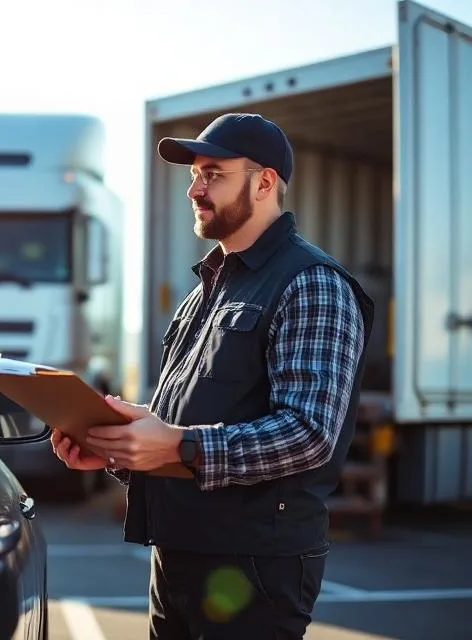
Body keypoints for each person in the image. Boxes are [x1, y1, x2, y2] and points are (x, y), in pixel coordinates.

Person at [50, 112, 374, 640]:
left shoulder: (312, 284)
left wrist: (180, 445)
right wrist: (120, 449)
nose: (195, 189)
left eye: (214, 174)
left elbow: (309, 434)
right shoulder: (205, 290)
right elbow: (185, 426)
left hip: (255, 567)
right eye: (194, 174)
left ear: (264, 183)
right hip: (178, 556)